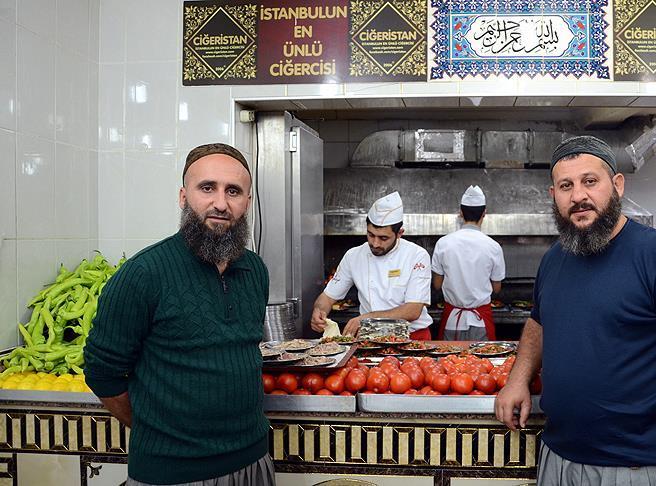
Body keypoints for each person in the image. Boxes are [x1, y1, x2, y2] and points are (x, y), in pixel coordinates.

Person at [494, 136, 656, 486]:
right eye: (566, 186)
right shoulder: (554, 259)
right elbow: (539, 323)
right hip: (557, 457)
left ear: (617, 185)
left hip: (635, 467)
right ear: (553, 195)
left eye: (590, 181)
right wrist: (518, 379)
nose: (578, 196)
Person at [84, 143, 275, 486]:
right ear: (184, 197)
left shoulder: (256, 270)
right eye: (207, 188)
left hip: (253, 460)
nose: (221, 203)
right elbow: (102, 373)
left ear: (247, 202)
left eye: (233, 191)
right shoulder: (144, 274)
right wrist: (158, 430)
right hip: (172, 473)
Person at [310, 191, 433, 339]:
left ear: (400, 233)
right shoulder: (353, 256)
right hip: (370, 338)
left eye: (383, 238)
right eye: (371, 235)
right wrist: (319, 311)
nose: (375, 243)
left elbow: (413, 310)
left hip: (412, 337)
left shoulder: (417, 255)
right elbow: (328, 297)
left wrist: (367, 318)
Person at [431, 185, 505, 341]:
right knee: (481, 357)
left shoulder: (443, 243)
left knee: (451, 356)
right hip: (481, 322)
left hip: (452, 321)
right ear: (484, 213)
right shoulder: (493, 246)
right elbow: (496, 288)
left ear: (461, 212)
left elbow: (437, 285)